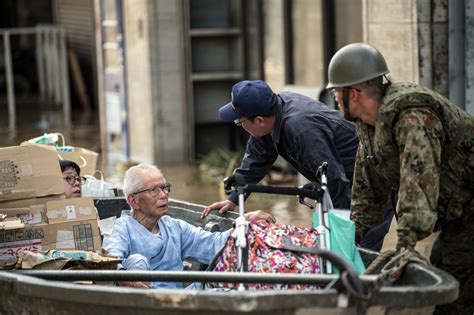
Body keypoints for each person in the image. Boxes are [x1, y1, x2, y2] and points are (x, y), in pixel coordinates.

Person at [326, 42, 474, 314]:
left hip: (469, 204)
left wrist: (405, 243)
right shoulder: (368, 126)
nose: (335, 98)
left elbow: (418, 179)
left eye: (337, 91)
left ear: (355, 93)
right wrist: (351, 238)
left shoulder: (412, 115)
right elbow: (368, 187)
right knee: (444, 263)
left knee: (452, 281)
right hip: (460, 206)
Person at [202, 80, 359, 218]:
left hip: (364, 181)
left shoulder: (300, 129)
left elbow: (334, 180)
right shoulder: (272, 112)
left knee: (355, 245)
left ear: (259, 121)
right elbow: (257, 159)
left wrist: (340, 226)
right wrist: (233, 199)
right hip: (341, 184)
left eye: (239, 120)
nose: (240, 125)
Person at [102, 163, 274, 289]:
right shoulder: (120, 228)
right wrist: (127, 280)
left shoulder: (174, 227)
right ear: (134, 201)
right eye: (154, 190)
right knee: (136, 262)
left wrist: (245, 222)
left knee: (223, 285)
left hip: (177, 301)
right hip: (142, 303)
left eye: (165, 188)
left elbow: (215, 244)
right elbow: (109, 263)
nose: (163, 195)